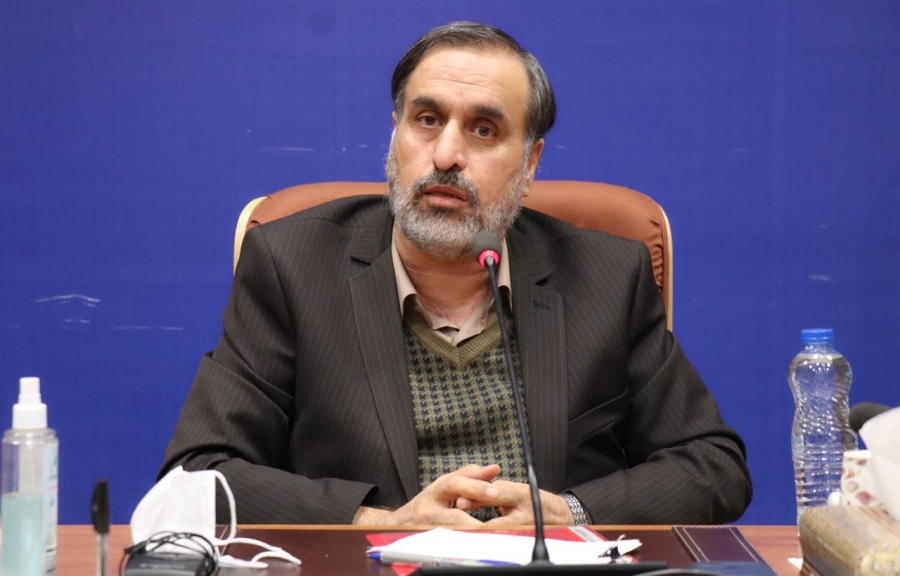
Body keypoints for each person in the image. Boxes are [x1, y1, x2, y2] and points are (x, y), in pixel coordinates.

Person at [161, 21, 752, 526]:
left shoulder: (606, 276)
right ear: (395, 132)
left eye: (484, 130)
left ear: (531, 162)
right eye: (426, 119)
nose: (445, 155)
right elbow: (197, 475)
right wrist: (381, 522)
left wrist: (569, 512)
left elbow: (713, 466)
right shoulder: (293, 264)